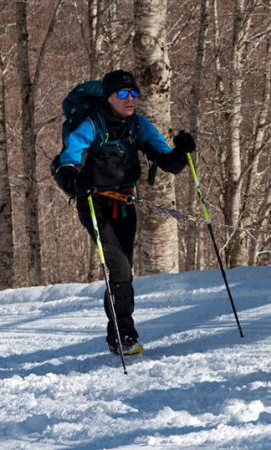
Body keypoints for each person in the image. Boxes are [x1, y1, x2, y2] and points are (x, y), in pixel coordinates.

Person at [52, 69, 196, 355]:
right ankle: (124, 335)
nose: (130, 99)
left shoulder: (138, 125)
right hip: (95, 204)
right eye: (123, 94)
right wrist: (75, 180)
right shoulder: (92, 125)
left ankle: (117, 335)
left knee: (124, 272)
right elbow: (67, 159)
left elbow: (169, 163)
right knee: (118, 268)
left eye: (134, 93)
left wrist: (183, 151)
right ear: (109, 97)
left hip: (126, 204)